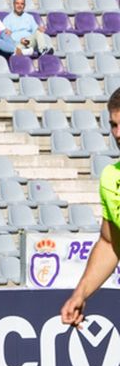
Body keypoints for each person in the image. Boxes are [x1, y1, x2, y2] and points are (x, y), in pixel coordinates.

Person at [62, 88, 120, 331]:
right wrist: (81, 293)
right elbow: (110, 243)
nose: (118, 134)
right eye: (114, 125)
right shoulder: (110, 178)